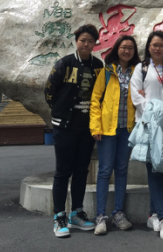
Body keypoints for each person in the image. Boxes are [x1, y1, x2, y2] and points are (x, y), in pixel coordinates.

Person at [44, 24, 103, 238]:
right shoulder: (65, 63)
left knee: (81, 171)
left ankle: (76, 213)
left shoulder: (98, 66)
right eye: (82, 40)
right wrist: (60, 111)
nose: (86, 44)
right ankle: (59, 216)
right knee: (63, 171)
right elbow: (49, 91)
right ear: (76, 41)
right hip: (65, 126)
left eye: (90, 41)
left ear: (95, 44)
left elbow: (101, 93)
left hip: (86, 127)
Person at [130, 31, 163, 241]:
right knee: (155, 169)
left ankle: (153, 215)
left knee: (158, 167)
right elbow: (136, 95)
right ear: (148, 47)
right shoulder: (140, 68)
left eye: (161, 45)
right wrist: (153, 113)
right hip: (148, 125)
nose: (157, 48)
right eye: (154, 45)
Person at [90, 35, 140, 235]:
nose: (126, 51)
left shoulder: (138, 73)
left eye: (130, 48)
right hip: (107, 130)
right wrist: (95, 127)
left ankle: (118, 213)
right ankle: (100, 216)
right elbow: (95, 100)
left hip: (127, 130)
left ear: (134, 52)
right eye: (123, 47)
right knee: (104, 171)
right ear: (117, 49)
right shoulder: (107, 72)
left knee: (121, 170)